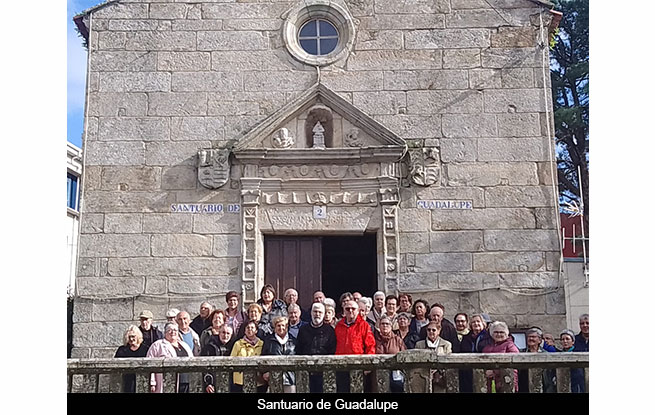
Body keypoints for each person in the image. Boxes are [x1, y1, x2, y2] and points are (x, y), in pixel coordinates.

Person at [334, 300, 376, 392]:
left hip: (358, 364)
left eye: (353, 309)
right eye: (347, 309)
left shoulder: (364, 325)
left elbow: (370, 345)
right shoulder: (339, 325)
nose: (350, 311)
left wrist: (368, 364)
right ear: (344, 311)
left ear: (358, 310)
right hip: (341, 365)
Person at [296, 302, 337, 393]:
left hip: (324, 371)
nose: (317, 314)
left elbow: (332, 349)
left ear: (323, 314)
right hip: (306, 371)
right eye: (315, 312)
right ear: (311, 313)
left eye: (320, 312)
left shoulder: (329, 330)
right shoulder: (303, 329)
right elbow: (298, 348)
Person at [146, 322, 194, 393]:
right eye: (169, 330)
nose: (173, 332)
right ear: (165, 332)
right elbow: (149, 363)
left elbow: (192, 360)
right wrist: (152, 382)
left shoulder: (184, 345)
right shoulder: (157, 345)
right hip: (167, 382)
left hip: (186, 381)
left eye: (175, 330)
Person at [262, 316, 298, 393]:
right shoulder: (269, 341)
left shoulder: (293, 341)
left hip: (290, 378)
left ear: (287, 326)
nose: (281, 328)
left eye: (283, 325)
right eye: (278, 326)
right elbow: (263, 357)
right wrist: (265, 372)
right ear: (275, 327)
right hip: (274, 377)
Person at [482, 321, 519, 393]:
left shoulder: (510, 346)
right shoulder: (486, 348)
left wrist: (494, 372)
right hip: (490, 384)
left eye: (501, 332)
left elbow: (514, 364)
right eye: (496, 332)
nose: (499, 334)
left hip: (506, 382)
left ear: (506, 333)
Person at [415, 321, 452, 393]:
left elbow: (448, 361)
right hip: (423, 376)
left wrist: (437, 370)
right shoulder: (419, 345)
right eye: (429, 330)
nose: (431, 332)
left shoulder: (446, 344)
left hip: (440, 377)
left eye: (433, 330)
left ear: (438, 331)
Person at [230, 320, 266, 393]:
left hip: (258, 380)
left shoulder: (262, 344)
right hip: (240, 381)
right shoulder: (238, 344)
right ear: (244, 331)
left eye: (252, 328)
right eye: (247, 328)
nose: (250, 330)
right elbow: (231, 360)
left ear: (256, 330)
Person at [518, 327, 556, 393]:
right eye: (529, 337)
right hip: (524, 386)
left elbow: (549, 375)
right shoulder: (521, 353)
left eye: (533, 337)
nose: (531, 339)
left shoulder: (546, 354)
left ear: (540, 340)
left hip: (543, 386)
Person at [459, 313, 490, 392]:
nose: (476, 323)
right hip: (468, 370)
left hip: (484, 369)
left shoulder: (489, 337)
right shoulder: (466, 338)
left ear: (483, 323)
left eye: (478, 321)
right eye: (473, 322)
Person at [375, 315, 406, 392]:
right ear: (379, 326)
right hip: (378, 373)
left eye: (387, 324)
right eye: (382, 324)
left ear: (391, 326)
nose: (385, 325)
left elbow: (404, 355)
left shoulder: (398, 340)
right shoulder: (374, 339)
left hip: (396, 374)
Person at [201, 324, 235, 393]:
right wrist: (208, 383)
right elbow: (204, 366)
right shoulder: (210, 346)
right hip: (213, 383)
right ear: (219, 332)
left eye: (228, 333)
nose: (225, 335)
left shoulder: (234, 346)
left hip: (230, 383)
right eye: (223, 332)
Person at [114, 325, 148, 393]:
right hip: (127, 380)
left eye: (133, 336)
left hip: (142, 379)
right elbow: (116, 364)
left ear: (138, 336)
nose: (131, 339)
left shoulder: (145, 349)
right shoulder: (122, 350)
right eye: (129, 337)